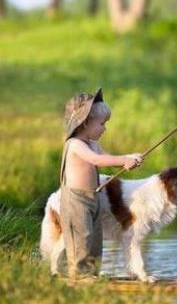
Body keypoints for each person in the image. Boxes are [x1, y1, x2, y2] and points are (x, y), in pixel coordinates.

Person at [59, 87, 142, 279]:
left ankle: (92, 272)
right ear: (85, 122)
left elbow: (106, 156)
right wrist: (123, 160)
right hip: (75, 199)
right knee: (81, 236)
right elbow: (96, 160)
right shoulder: (75, 145)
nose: (105, 128)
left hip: (93, 195)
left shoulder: (93, 143)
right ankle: (79, 275)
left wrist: (128, 158)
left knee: (95, 236)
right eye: (102, 123)